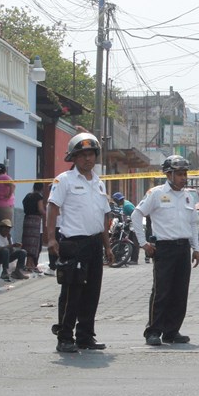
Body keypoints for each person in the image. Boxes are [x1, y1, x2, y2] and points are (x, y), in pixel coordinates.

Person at [45, 132, 114, 354]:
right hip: (73, 244)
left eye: (91, 154)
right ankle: (65, 337)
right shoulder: (64, 180)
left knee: (92, 292)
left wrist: (107, 246)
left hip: (94, 243)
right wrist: (51, 238)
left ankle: (85, 336)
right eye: (83, 155)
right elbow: (52, 208)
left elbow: (104, 216)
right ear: (74, 158)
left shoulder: (99, 183)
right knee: (71, 293)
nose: (88, 159)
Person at [132, 155, 199, 346]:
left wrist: (195, 248)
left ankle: (172, 331)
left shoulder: (188, 195)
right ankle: (153, 331)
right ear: (168, 174)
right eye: (179, 174)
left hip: (183, 249)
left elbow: (194, 223)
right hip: (164, 249)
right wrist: (143, 243)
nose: (183, 177)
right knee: (162, 292)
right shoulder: (156, 193)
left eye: (185, 174)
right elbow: (136, 215)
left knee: (180, 292)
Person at [21, 183, 46, 274]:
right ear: (41, 189)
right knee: (34, 244)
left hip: (27, 220)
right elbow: (40, 209)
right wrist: (48, 213)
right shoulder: (39, 196)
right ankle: (31, 265)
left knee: (28, 243)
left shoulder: (28, 196)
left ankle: (29, 264)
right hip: (35, 221)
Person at [111, 192, 140, 264]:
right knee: (130, 240)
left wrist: (130, 220)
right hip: (130, 225)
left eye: (116, 201)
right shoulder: (123, 205)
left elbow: (135, 214)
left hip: (134, 225)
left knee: (134, 242)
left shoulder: (127, 205)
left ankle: (134, 260)